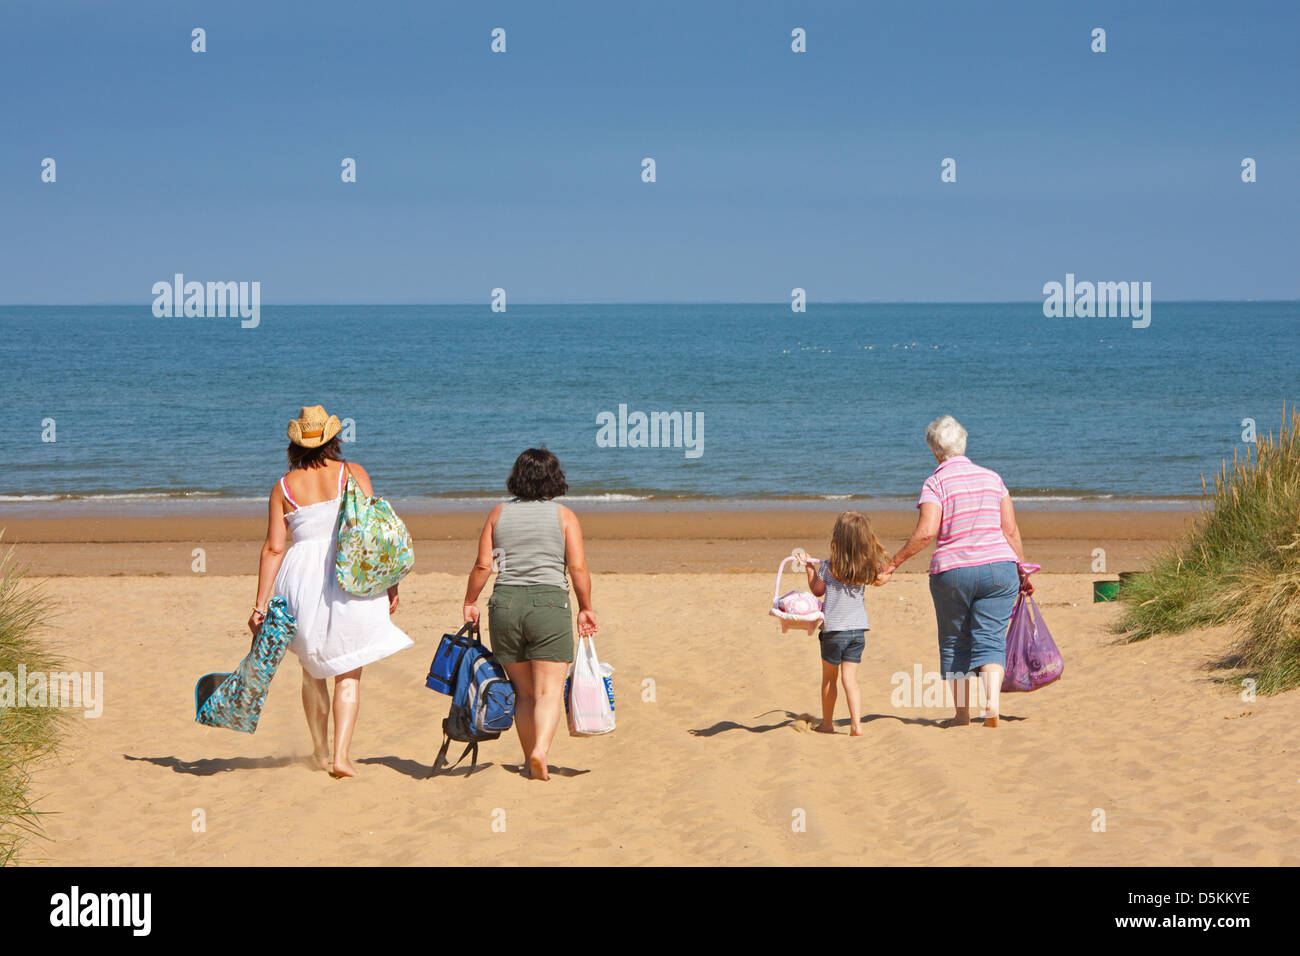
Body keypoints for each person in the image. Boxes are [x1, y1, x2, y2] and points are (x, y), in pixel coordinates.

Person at [249, 405, 411, 776]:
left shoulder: (283, 487)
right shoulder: (353, 473)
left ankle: (319, 750)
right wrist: (390, 582)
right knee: (348, 673)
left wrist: (260, 605)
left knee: (312, 669)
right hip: (348, 573)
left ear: (295, 444)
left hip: (300, 578)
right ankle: (340, 757)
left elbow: (274, 548)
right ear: (333, 438)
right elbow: (376, 535)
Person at [882, 415, 1032, 728]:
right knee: (991, 639)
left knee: (954, 642)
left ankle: (962, 715)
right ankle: (991, 704)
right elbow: (1011, 530)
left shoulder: (935, 483)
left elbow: (926, 533)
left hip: (953, 572)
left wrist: (895, 562)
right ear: (963, 443)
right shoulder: (993, 479)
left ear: (935, 452)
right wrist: (1023, 570)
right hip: (999, 568)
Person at [462, 448, 597, 781]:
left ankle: (527, 760)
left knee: (523, 692)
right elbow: (577, 567)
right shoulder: (564, 516)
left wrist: (470, 600)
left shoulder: (498, 514)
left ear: (516, 477)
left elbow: (484, 565)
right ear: (555, 479)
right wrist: (585, 607)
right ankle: (540, 752)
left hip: (506, 605)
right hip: (549, 604)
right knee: (549, 691)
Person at [803, 512, 892, 735]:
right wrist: (890, 569)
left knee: (829, 680)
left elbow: (817, 590)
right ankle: (856, 725)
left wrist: (809, 569)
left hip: (834, 631)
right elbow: (881, 579)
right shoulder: (865, 567)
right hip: (857, 632)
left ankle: (827, 724)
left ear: (837, 538)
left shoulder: (828, 566)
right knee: (850, 680)